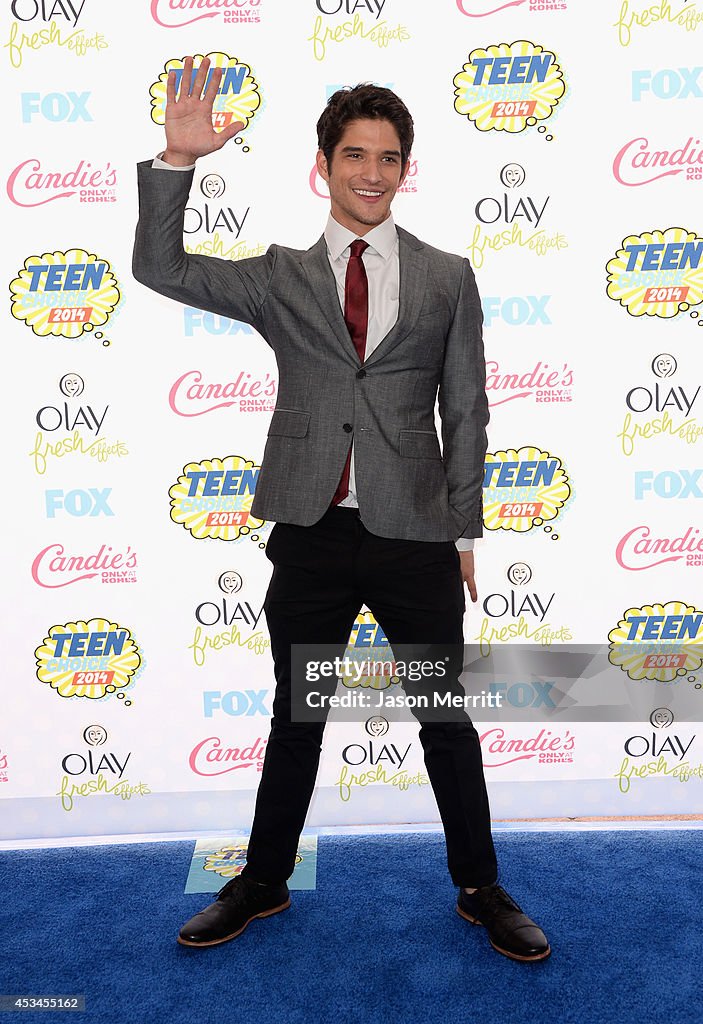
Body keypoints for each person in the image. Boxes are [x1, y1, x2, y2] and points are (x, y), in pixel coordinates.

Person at [133, 57, 550, 962]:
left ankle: (481, 889)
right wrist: (177, 161)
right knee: (296, 716)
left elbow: (467, 408)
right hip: (312, 534)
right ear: (322, 166)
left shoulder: (445, 275)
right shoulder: (278, 276)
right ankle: (263, 880)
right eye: (354, 154)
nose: (371, 171)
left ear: (407, 170)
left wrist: (464, 529)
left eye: (388, 157)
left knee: (445, 719)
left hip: (415, 537)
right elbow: (158, 265)